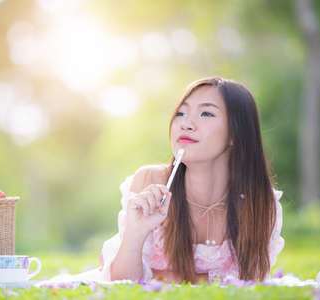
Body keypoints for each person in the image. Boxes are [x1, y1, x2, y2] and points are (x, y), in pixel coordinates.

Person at [98, 77, 285, 284]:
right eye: (181, 113)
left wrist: (161, 276)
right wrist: (136, 233)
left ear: (236, 133)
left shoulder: (257, 201)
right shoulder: (150, 181)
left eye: (206, 113)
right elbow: (121, 284)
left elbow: (251, 281)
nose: (186, 124)